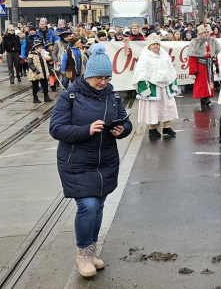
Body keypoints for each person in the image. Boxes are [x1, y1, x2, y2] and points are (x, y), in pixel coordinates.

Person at [49, 42, 133, 279]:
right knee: (88, 206)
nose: (103, 82)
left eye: (107, 78)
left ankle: (91, 249)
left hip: (105, 160)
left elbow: (125, 123)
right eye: (99, 78)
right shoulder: (69, 96)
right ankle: (83, 254)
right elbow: (56, 129)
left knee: (99, 206)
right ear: (89, 76)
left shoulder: (113, 97)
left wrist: (122, 130)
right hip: (76, 161)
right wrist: (86, 130)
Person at [131, 34, 179, 139]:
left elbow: (171, 70)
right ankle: (152, 129)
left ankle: (167, 127)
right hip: (152, 87)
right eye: (153, 44)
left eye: (157, 44)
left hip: (165, 86)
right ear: (149, 46)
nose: (156, 46)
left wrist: (173, 83)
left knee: (167, 107)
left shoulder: (164, 55)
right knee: (153, 109)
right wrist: (143, 88)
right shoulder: (145, 57)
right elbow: (140, 74)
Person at [187, 24, 221, 109]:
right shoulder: (195, 41)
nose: (206, 34)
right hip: (200, 65)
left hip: (209, 64)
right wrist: (193, 69)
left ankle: (207, 97)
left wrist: (217, 66)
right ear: (200, 33)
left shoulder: (213, 41)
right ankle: (203, 98)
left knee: (210, 82)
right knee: (202, 83)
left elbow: (217, 54)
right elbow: (192, 57)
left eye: (207, 32)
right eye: (204, 32)